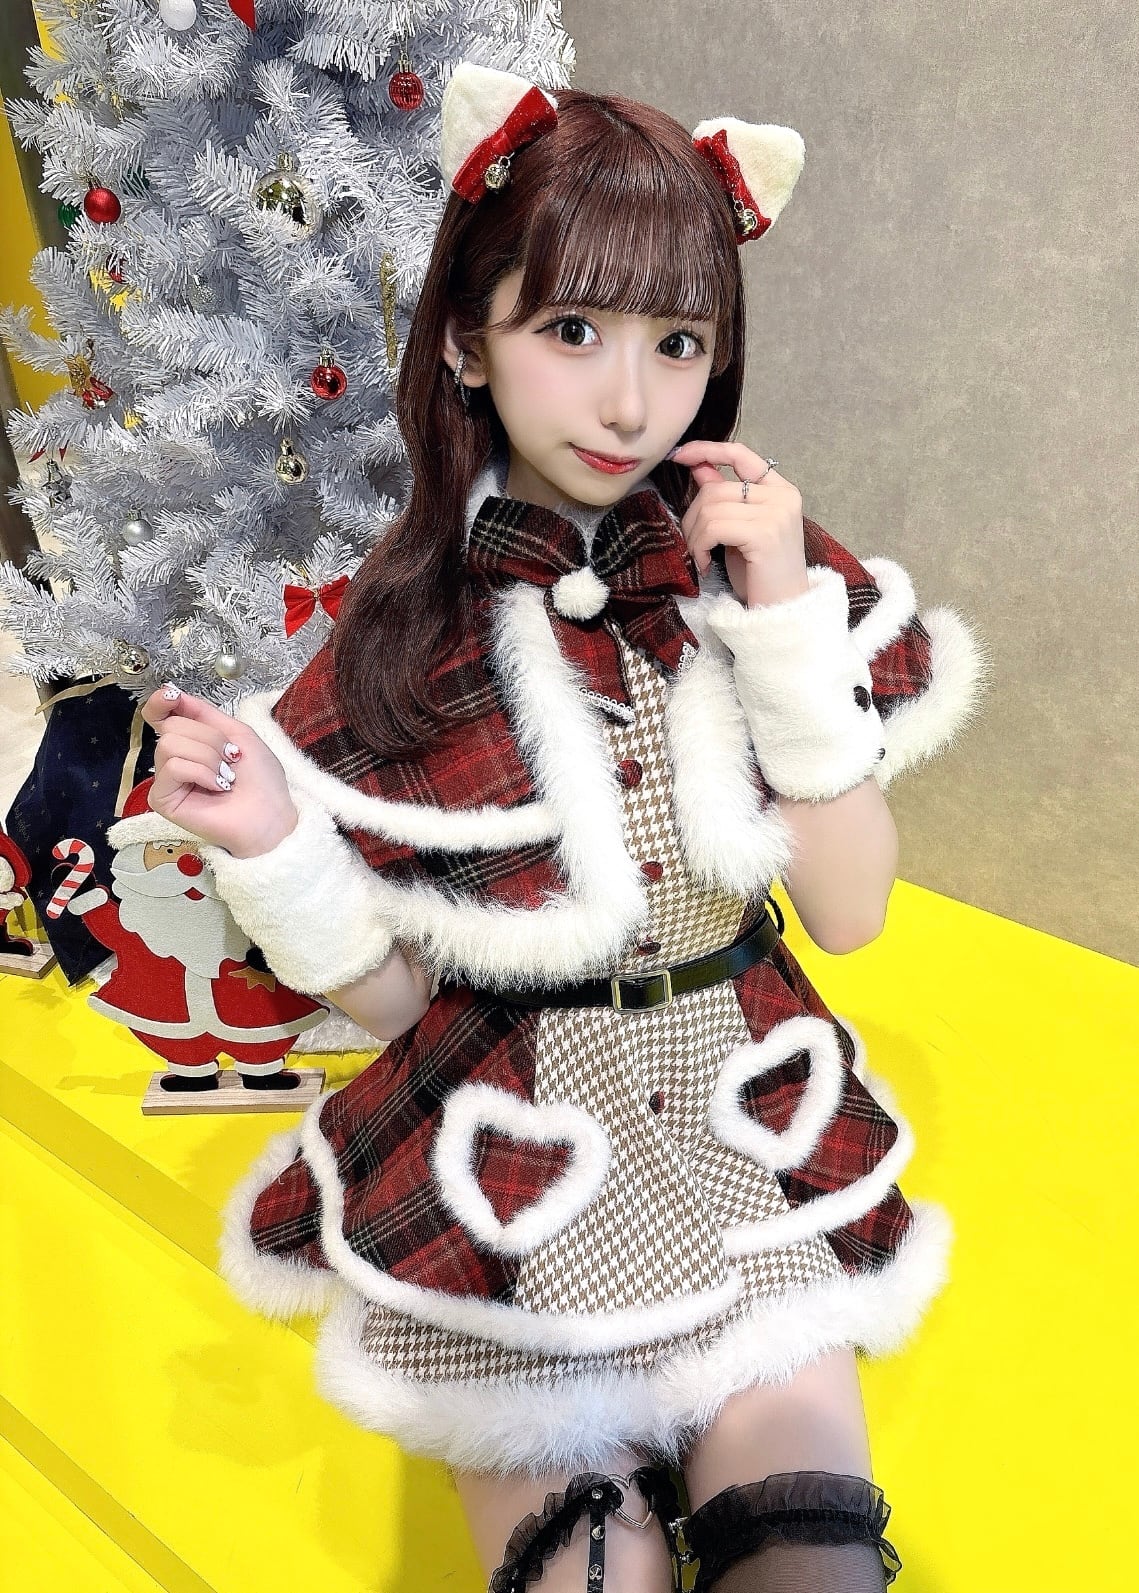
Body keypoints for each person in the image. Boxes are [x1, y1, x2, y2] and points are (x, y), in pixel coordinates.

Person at [140, 62, 986, 1593]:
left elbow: (851, 912)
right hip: (513, 1155)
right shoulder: (404, 640)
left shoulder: (755, 565)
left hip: (744, 1128)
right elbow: (402, 1000)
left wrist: (783, 625)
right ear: (468, 340)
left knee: (815, 1566)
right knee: (584, 1572)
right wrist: (273, 841)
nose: (630, 401)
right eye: (573, 330)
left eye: (679, 341)